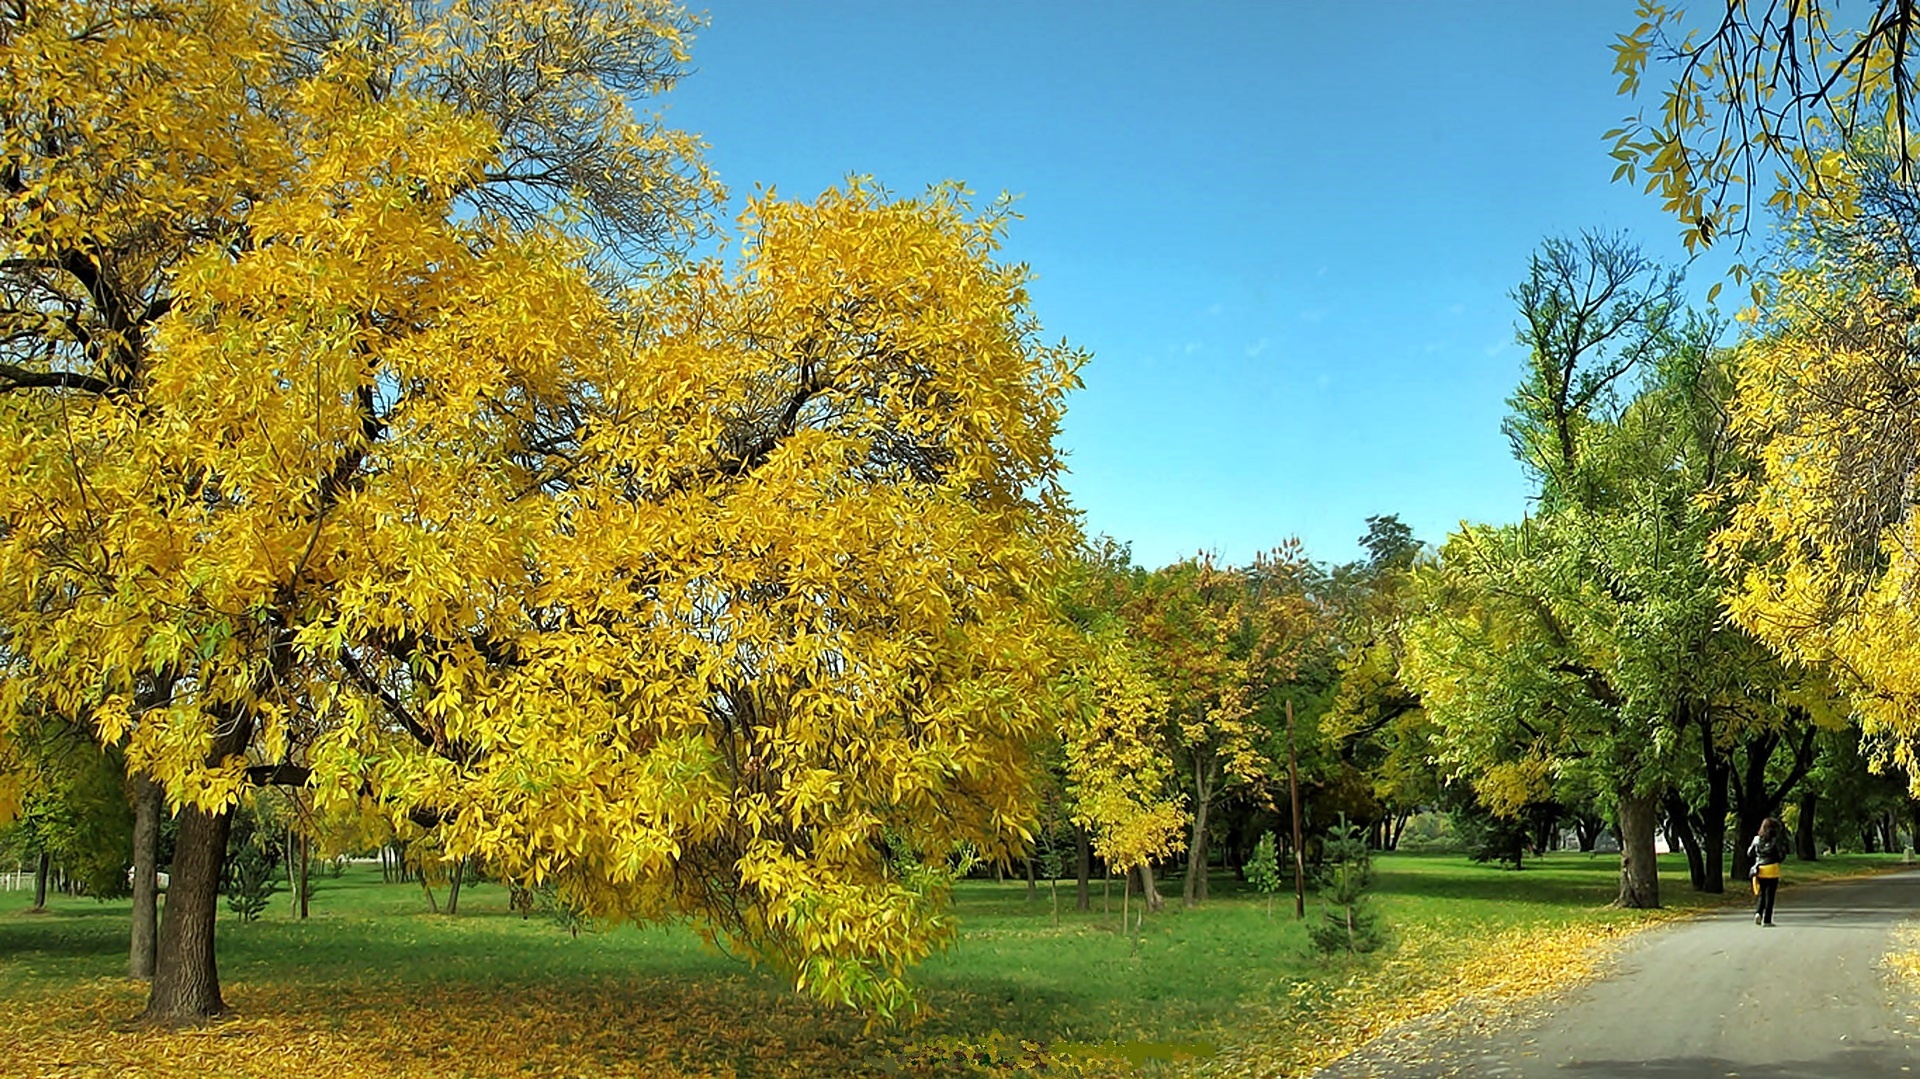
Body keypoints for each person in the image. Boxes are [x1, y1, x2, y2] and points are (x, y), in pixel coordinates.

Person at [1748, 817, 1787, 926]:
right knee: (1770, 896)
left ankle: (1758, 913)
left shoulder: (1757, 839)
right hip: (1772, 869)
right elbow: (1781, 855)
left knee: (1761, 894)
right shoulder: (1776, 840)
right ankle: (1767, 920)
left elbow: (1749, 853)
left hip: (1760, 869)